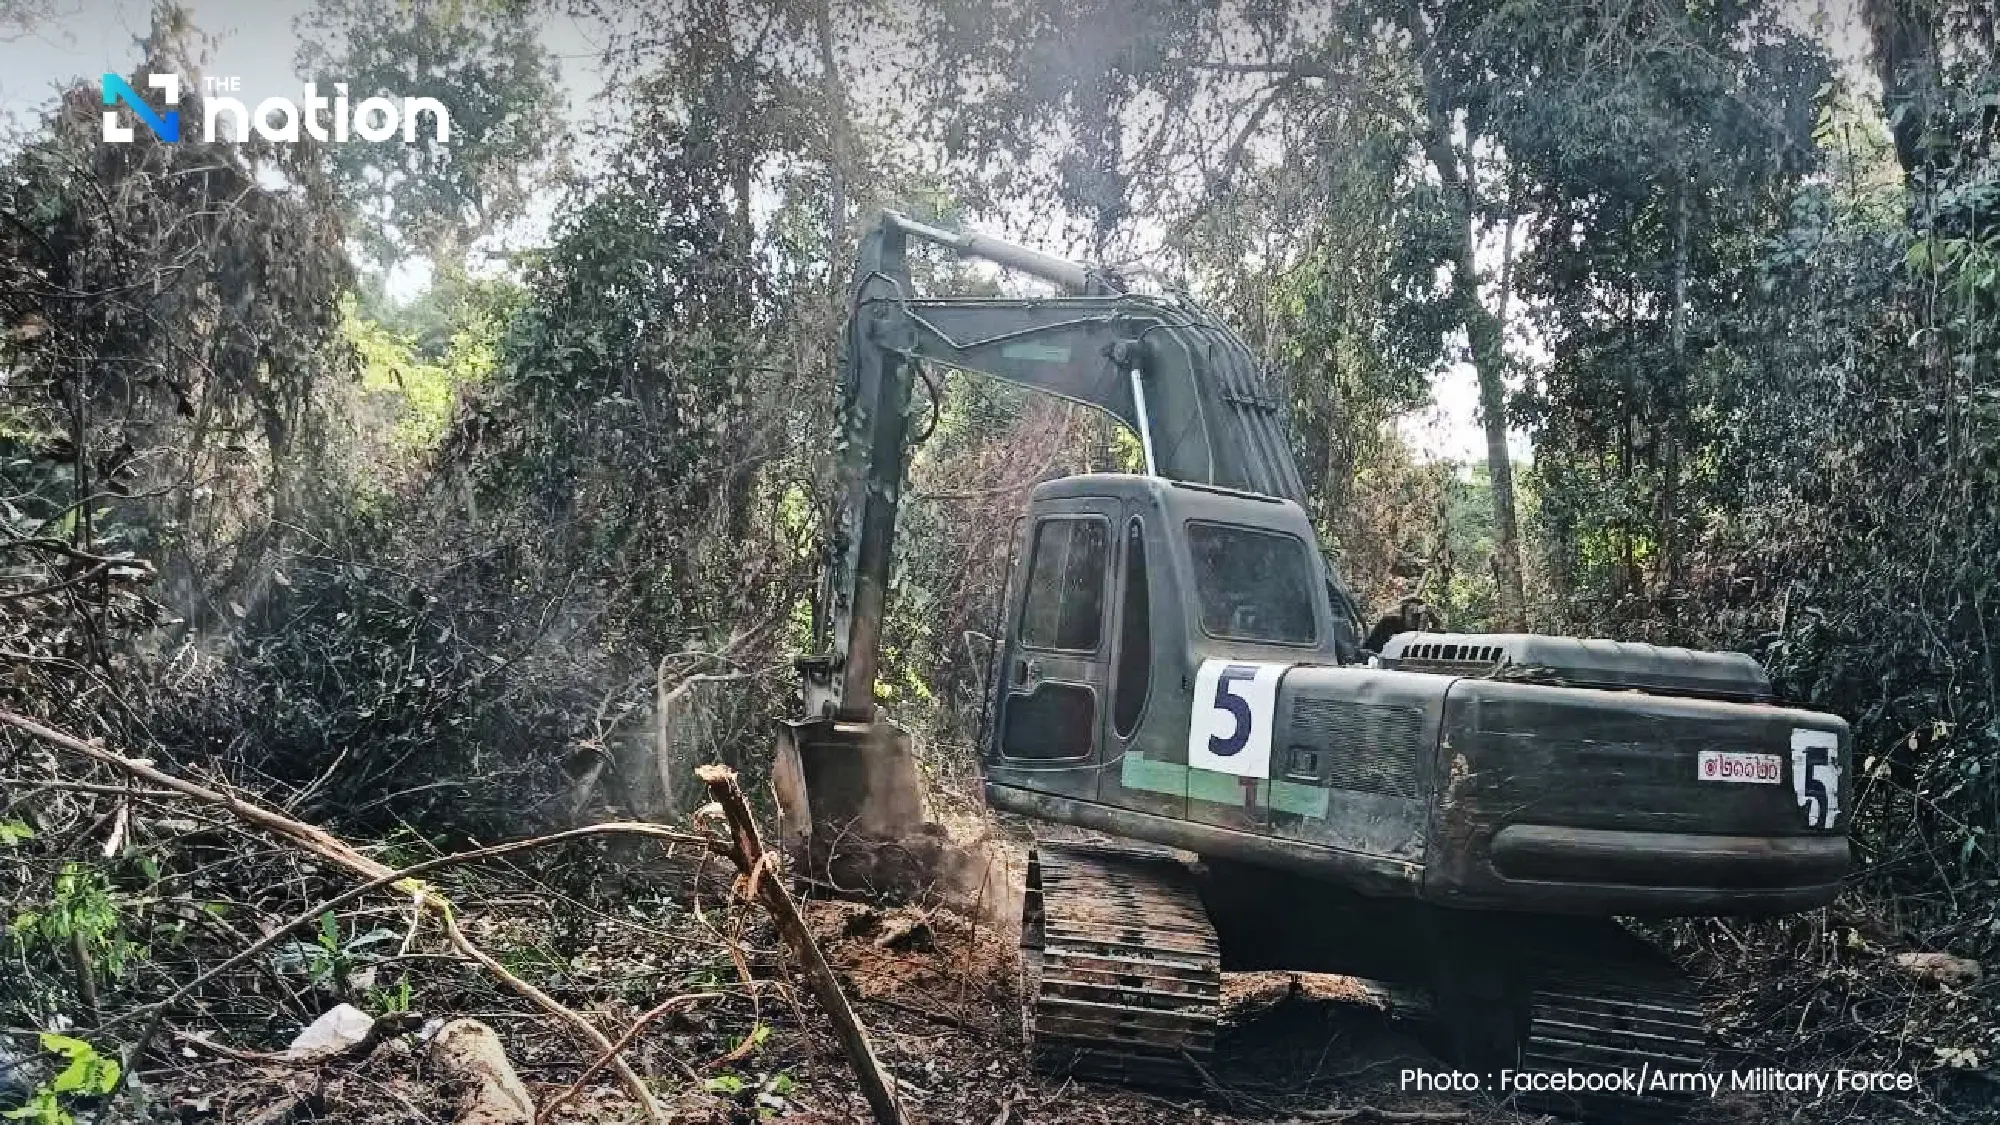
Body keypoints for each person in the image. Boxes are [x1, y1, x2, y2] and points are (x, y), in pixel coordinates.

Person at [1364, 595, 1444, 654]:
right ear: (1404, 612)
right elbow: (1370, 645)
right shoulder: (1388, 623)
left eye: (1417, 614)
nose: (1413, 617)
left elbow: (1438, 637)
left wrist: (1432, 617)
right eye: (1410, 612)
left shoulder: (1422, 631)